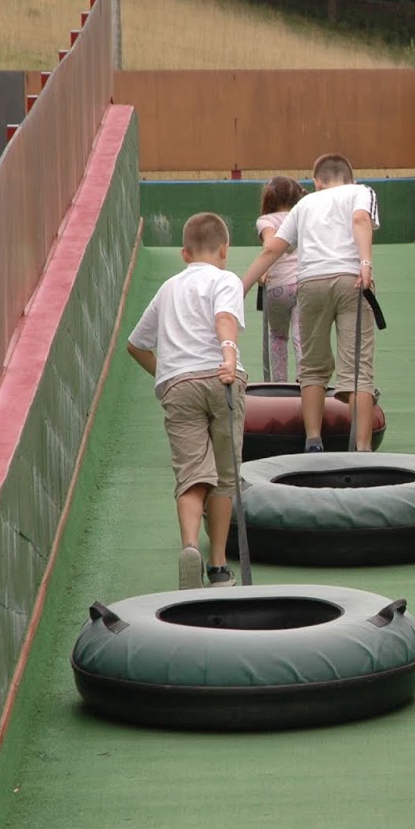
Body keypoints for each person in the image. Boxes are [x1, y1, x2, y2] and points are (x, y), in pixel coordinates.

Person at [126, 212, 246, 590]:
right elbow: (224, 317)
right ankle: (219, 566)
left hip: (179, 384)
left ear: (184, 253)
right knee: (225, 477)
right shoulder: (225, 279)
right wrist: (228, 356)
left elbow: (135, 344)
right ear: (224, 250)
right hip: (221, 378)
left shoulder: (168, 289)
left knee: (192, 474)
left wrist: (168, 372)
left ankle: (190, 546)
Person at [241, 152, 379, 451]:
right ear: (351, 177)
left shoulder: (304, 204)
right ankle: (363, 448)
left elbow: (272, 250)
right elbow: (359, 219)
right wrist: (365, 263)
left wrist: (241, 287)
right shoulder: (361, 192)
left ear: (317, 182)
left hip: (310, 282)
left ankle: (313, 440)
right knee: (357, 368)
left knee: (312, 367)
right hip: (350, 279)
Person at [256, 175, 306, 380]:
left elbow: (270, 244)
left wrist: (264, 269)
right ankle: (306, 377)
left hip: (278, 288)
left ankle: (279, 383)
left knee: (277, 336)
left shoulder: (265, 220)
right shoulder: (303, 215)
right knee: (302, 334)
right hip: (303, 283)